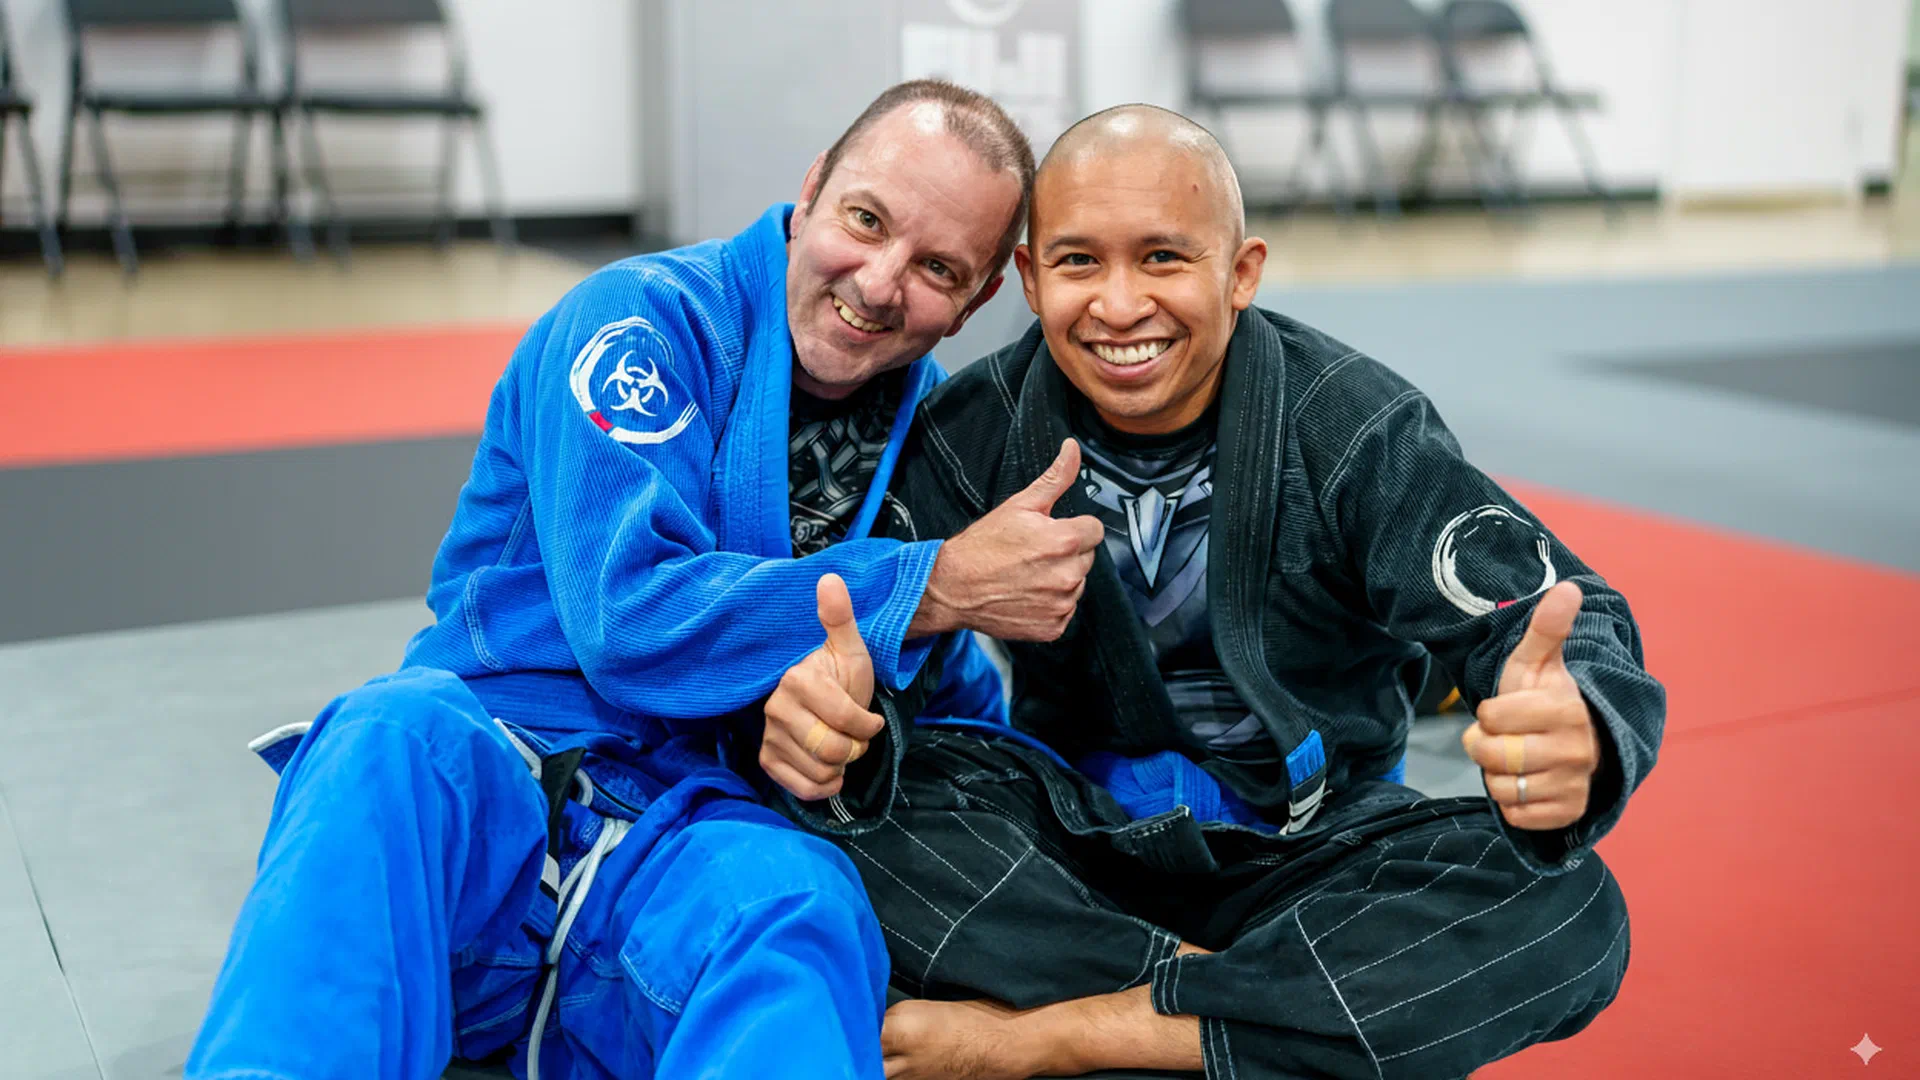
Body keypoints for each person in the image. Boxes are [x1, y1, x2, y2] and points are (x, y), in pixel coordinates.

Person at [186, 80, 1108, 1080]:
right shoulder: (643, 324)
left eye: (936, 266)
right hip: (496, 784)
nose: (881, 283)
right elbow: (629, 617)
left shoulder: (934, 444)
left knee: (802, 901)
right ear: (811, 193)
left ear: (975, 300)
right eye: (866, 220)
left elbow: (941, 707)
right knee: (387, 739)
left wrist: (880, 736)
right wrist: (933, 586)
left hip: (683, 850)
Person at [766, 104, 1666, 1080]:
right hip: (1079, 848)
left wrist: (1576, 711)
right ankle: (1269, 1018)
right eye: (1077, 263)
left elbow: (1542, 608)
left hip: (1310, 853)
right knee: (851, 808)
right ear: (1028, 279)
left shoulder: (1350, 425)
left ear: (1240, 272)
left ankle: (1068, 1033)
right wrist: (832, 717)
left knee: (1573, 908)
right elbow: (854, 648)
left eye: (1162, 258)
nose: (1118, 306)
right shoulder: (972, 429)